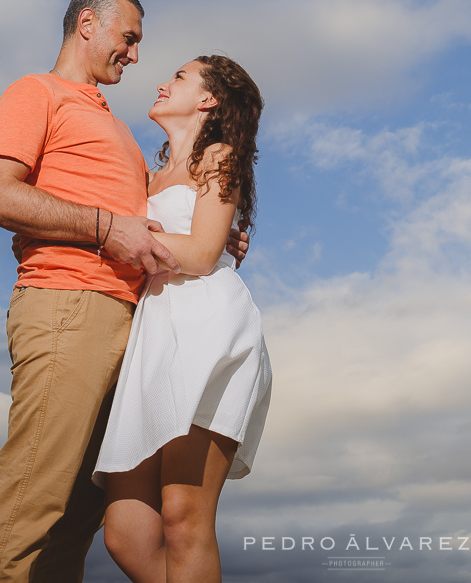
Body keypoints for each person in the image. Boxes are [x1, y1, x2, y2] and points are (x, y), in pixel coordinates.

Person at [0, 0, 247, 583]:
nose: (136, 55)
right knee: (32, 502)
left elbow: (157, 223)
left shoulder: (119, 131)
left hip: (137, 329)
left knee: (75, 521)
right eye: (130, 37)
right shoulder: (37, 92)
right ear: (88, 23)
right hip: (71, 306)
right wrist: (105, 227)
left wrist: (214, 235)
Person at [92, 55, 272, 583]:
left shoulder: (219, 156)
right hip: (155, 337)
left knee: (184, 517)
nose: (162, 83)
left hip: (209, 327)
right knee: (125, 534)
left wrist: (108, 233)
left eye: (178, 77)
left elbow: (197, 253)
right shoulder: (148, 175)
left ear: (208, 99)